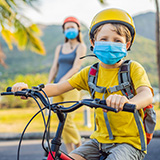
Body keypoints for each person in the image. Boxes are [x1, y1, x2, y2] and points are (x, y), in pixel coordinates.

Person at [12, 8, 153, 160]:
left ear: (127, 45)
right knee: (70, 157)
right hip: (98, 141)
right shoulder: (90, 73)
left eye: (117, 40)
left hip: (129, 143)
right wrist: (29, 90)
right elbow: (59, 87)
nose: (109, 44)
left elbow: (146, 95)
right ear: (93, 42)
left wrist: (128, 101)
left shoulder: (133, 69)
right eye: (103, 39)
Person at [47, 16, 86, 153]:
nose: (70, 30)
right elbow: (54, 67)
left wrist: (62, 82)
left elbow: (76, 67)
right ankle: (70, 153)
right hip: (57, 87)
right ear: (64, 30)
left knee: (68, 120)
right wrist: (48, 84)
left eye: (72, 27)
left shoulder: (81, 47)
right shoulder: (60, 47)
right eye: (67, 27)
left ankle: (80, 148)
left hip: (71, 86)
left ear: (78, 29)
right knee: (60, 121)